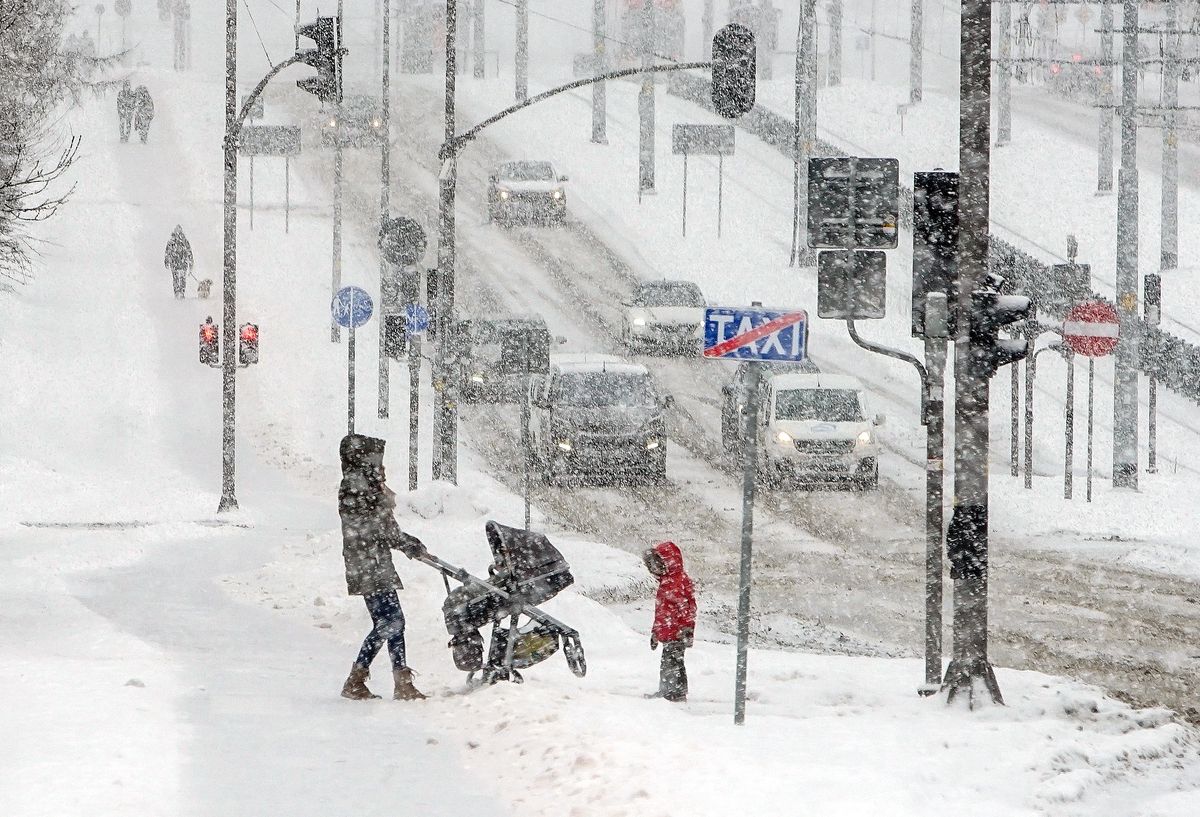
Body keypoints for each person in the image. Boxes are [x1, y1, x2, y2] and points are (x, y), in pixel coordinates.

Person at [338, 434, 429, 701]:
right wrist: (407, 543)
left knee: (390, 622)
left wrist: (407, 542)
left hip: (370, 563)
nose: (383, 466)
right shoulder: (359, 485)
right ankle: (381, 681)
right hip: (369, 565)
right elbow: (380, 528)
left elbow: (381, 527)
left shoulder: (364, 484)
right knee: (392, 621)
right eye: (378, 460)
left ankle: (376, 680)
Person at [644, 541, 696, 703]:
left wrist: (686, 628)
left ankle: (676, 692)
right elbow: (661, 612)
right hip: (669, 630)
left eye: (658, 563)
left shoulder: (679, 581)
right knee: (668, 661)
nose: (655, 568)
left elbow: (688, 607)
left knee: (674, 662)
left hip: (677, 632)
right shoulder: (666, 582)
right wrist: (656, 632)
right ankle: (668, 690)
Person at [163, 225, 193, 299]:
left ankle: (181, 293)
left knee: (182, 278)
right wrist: (166, 261)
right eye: (177, 231)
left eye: (179, 230)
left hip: (181, 263)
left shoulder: (184, 241)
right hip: (175, 263)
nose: (178, 232)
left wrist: (191, 262)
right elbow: (167, 252)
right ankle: (177, 293)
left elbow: (189, 252)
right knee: (176, 278)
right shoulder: (172, 242)